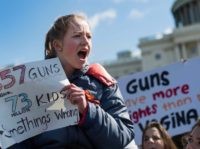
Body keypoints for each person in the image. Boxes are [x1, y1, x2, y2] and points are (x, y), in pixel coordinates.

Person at [8, 13, 137, 149]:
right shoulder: (30, 89)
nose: (85, 41)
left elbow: (122, 137)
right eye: (77, 36)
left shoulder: (103, 82)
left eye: (89, 36)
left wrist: (88, 110)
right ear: (57, 45)